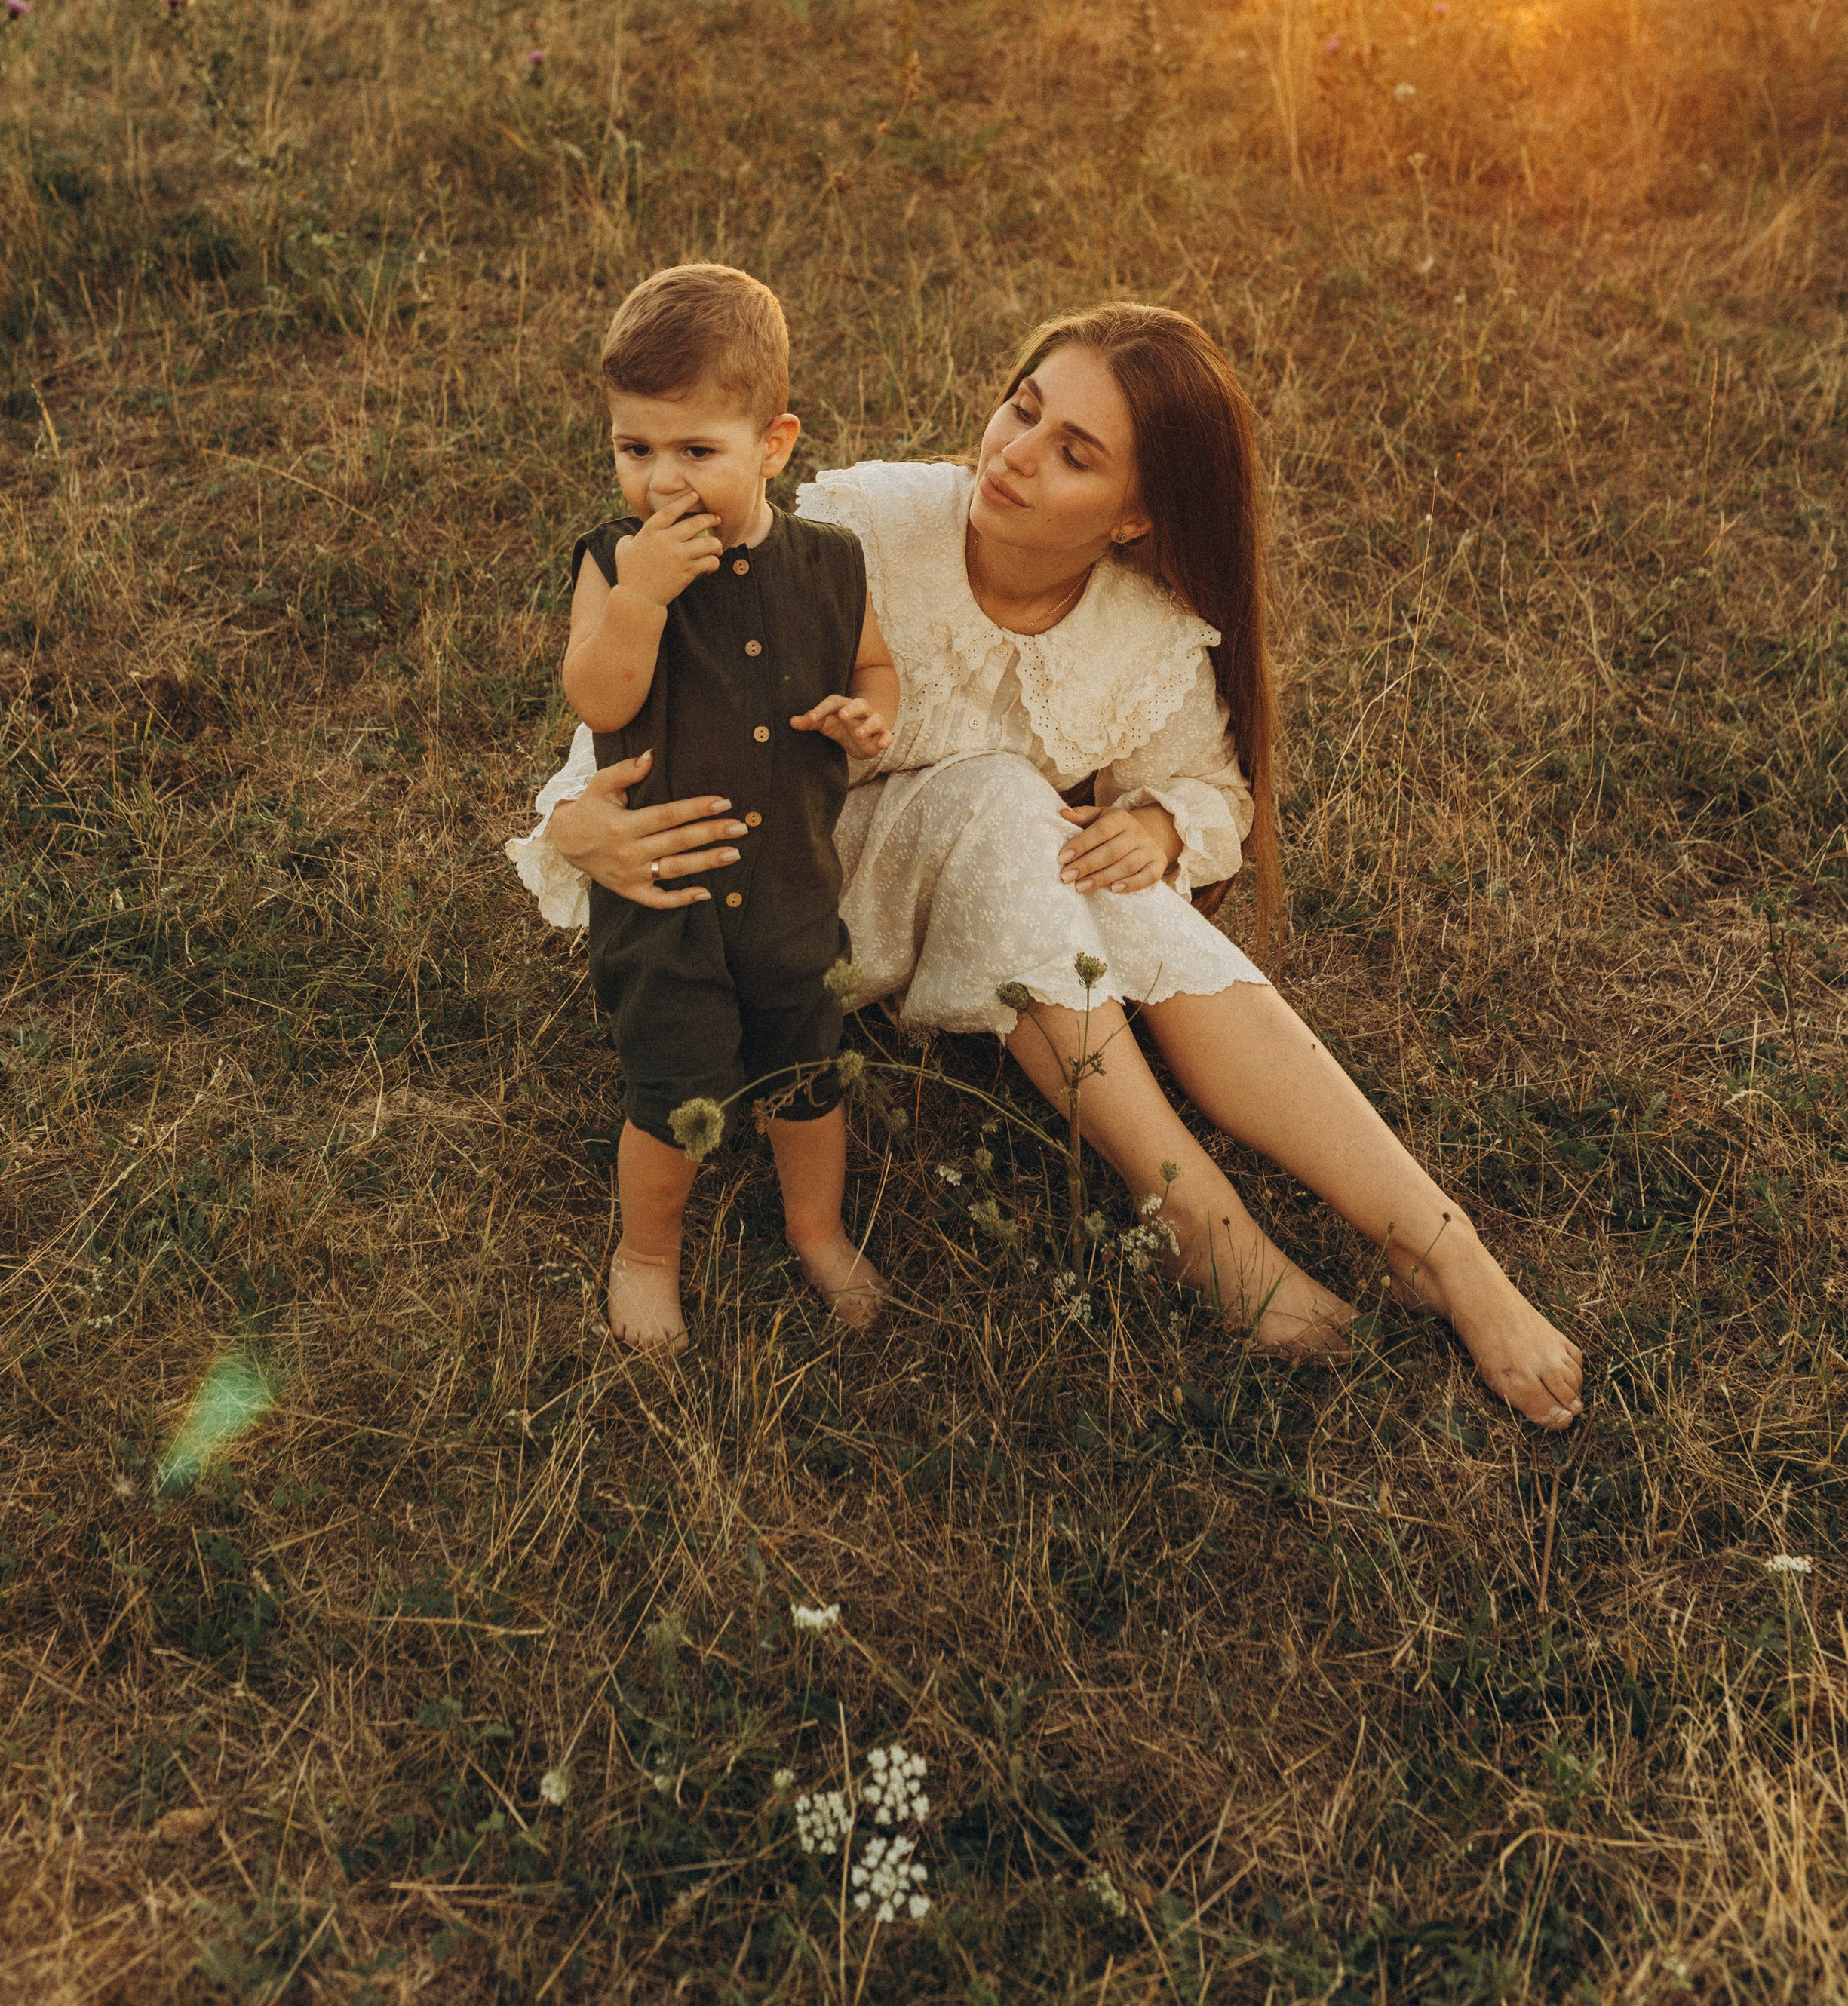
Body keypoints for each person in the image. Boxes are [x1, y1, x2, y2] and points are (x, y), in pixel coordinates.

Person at [512, 299, 1583, 1429]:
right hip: (781, 900)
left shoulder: (1139, 629)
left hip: (967, 898)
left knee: (1105, 875)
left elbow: (1217, 792)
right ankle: (1204, 1229)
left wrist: (1166, 829)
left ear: (1133, 518)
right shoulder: (871, 524)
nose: (1015, 455)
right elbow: (655, 702)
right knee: (1008, 806)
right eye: (1022, 410)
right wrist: (572, 819)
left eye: (1075, 454)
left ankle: (1446, 1250)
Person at [513, 262, 898, 1353]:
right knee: (671, 1092)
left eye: (697, 452)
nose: (663, 482)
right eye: (636, 450)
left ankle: (816, 1231)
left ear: (773, 445)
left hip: (791, 891)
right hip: (664, 894)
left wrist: (869, 718)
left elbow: (877, 671)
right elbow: (599, 696)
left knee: (808, 1080)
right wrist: (641, 595)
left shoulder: (831, 565)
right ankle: (646, 1255)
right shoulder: (611, 562)